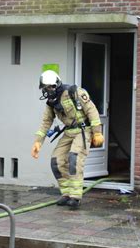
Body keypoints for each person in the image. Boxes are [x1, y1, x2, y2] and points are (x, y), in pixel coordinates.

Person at [31, 70, 104, 210]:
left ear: (57, 84)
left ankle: (75, 196)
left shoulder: (74, 92)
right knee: (56, 161)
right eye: (45, 88)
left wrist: (97, 133)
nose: (48, 90)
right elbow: (46, 122)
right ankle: (66, 193)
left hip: (83, 130)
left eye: (50, 87)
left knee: (74, 158)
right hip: (69, 132)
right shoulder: (50, 102)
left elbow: (92, 110)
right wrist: (38, 141)